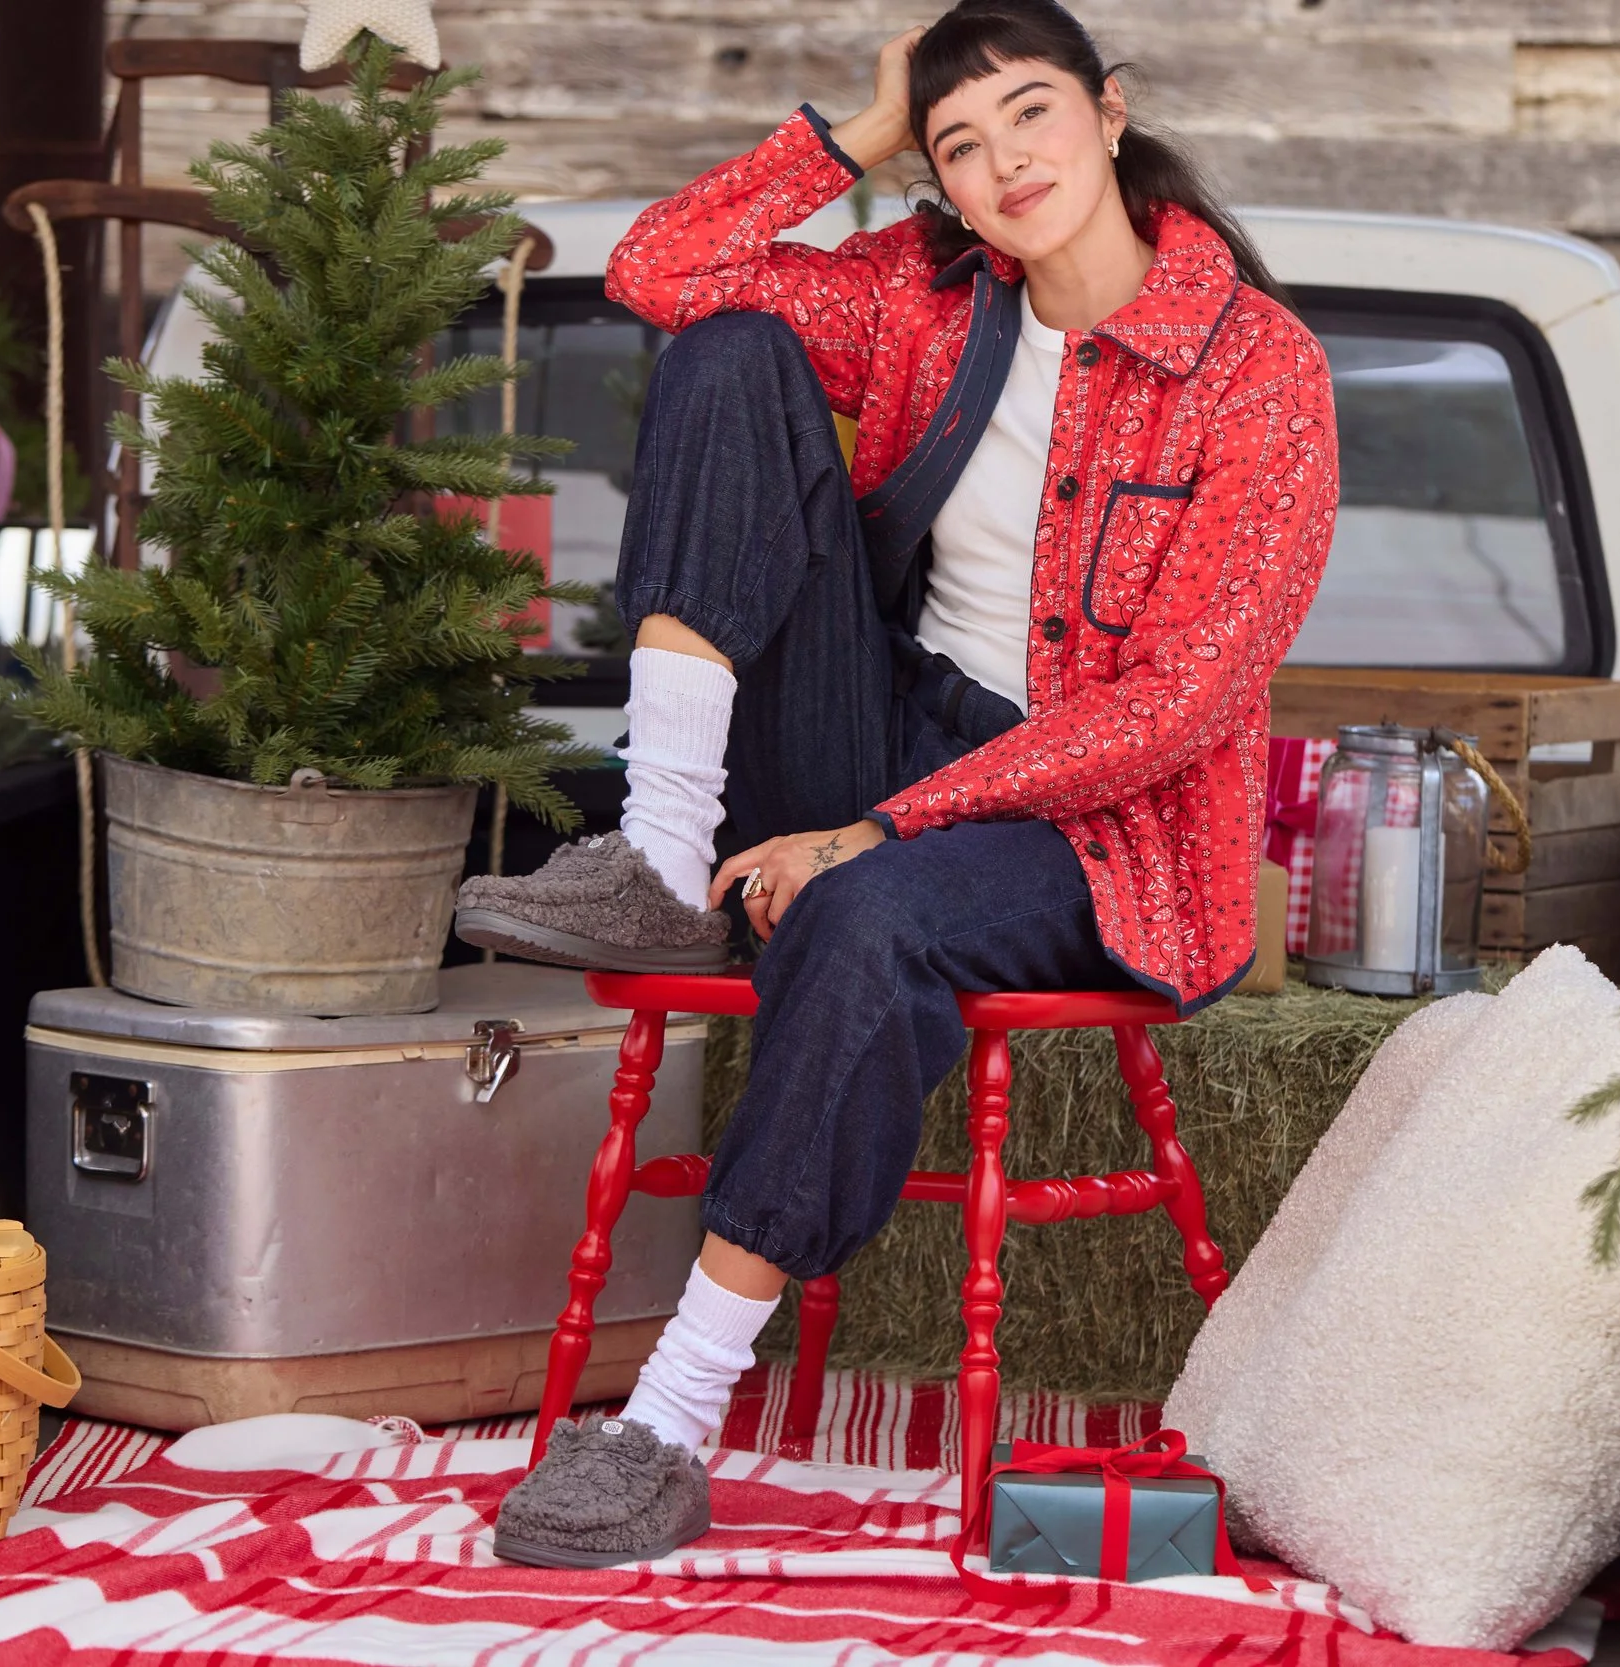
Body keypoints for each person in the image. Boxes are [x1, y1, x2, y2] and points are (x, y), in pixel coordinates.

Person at [466, 0, 1340, 1568]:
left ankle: (667, 1419)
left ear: (1111, 111)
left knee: (868, 916)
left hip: (1095, 826)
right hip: (881, 722)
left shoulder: (1254, 370)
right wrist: (856, 138)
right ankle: (659, 848)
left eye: (1032, 113)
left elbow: (1176, 707)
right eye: (961, 143)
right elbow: (664, 272)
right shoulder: (928, 294)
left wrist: (881, 827)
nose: (1008, 163)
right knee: (731, 349)